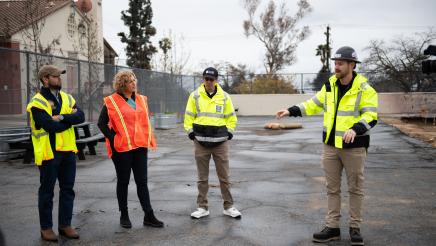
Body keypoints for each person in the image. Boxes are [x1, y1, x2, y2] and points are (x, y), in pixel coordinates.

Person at [276, 46, 378, 246]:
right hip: (330, 147)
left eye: (340, 63)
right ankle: (332, 227)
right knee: (332, 188)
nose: (336, 67)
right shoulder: (330, 86)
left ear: (352, 65)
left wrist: (356, 129)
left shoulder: (365, 89)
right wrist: (291, 110)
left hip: (354, 147)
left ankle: (355, 228)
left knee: (355, 189)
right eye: (335, 63)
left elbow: (371, 116)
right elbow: (313, 104)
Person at [97, 70, 163, 229]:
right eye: (129, 81)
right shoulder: (111, 101)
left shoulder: (141, 99)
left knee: (142, 182)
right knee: (123, 181)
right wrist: (114, 138)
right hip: (122, 148)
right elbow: (101, 123)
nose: (134, 83)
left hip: (140, 146)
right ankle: (124, 215)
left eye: (134, 80)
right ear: (122, 84)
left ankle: (149, 215)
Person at [26, 65, 85, 242]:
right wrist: (69, 119)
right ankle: (46, 228)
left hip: (68, 151)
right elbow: (49, 126)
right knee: (47, 191)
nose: (60, 79)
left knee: (68, 189)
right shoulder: (37, 102)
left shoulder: (67, 97)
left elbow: (80, 116)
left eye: (59, 76)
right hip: (49, 153)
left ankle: (65, 225)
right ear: (45, 79)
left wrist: (61, 117)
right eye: (56, 76)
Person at [184, 67, 241, 219]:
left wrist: (229, 132)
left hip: (220, 143)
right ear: (203, 79)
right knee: (202, 178)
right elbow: (188, 116)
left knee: (224, 177)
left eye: (211, 79)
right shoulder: (195, 96)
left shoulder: (224, 97)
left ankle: (228, 206)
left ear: (216, 80)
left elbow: (231, 117)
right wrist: (190, 132)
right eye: (206, 79)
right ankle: (202, 207)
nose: (208, 82)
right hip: (200, 142)